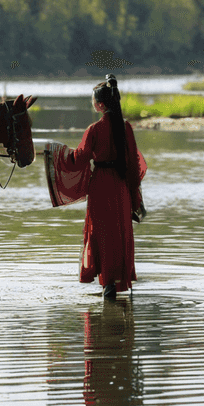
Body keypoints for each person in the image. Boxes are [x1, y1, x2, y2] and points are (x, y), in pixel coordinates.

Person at [44, 74, 147, 298]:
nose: (92, 104)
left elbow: (78, 159)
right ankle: (118, 280)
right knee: (119, 234)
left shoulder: (94, 130)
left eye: (93, 101)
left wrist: (57, 153)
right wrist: (135, 197)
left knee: (102, 234)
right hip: (120, 189)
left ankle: (107, 283)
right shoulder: (125, 128)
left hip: (101, 186)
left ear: (100, 105)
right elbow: (133, 165)